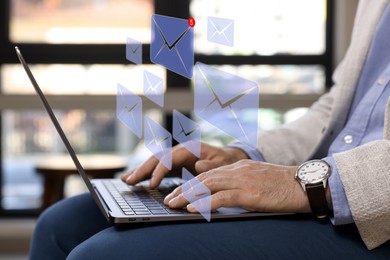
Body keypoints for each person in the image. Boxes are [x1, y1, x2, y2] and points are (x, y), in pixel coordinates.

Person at [30, 0, 390, 259]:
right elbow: (339, 108)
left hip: (373, 223)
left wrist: (303, 183)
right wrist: (244, 156)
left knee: (104, 255)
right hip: (321, 194)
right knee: (61, 224)